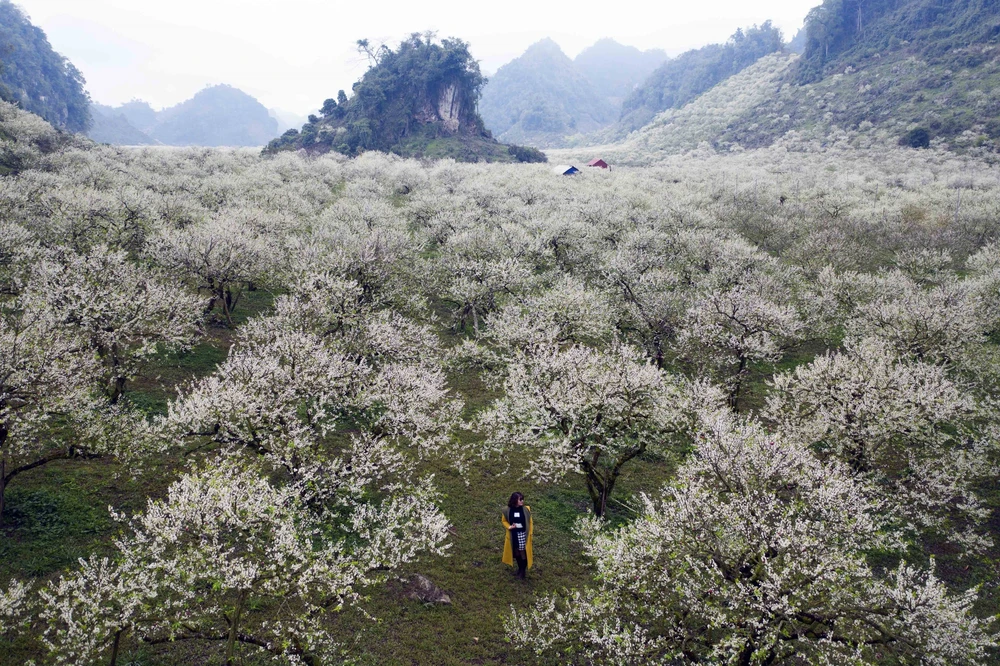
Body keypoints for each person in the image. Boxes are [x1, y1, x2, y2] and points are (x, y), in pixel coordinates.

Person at [501, 491, 533, 579]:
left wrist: (530, 533)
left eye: (523, 499)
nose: (522, 501)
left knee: (523, 553)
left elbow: (530, 523)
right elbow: (504, 521)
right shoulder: (507, 510)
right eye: (520, 499)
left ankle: (523, 572)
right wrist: (509, 527)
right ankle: (519, 569)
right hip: (513, 535)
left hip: (522, 534)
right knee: (516, 552)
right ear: (515, 500)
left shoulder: (526, 509)